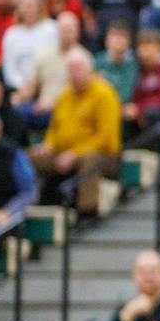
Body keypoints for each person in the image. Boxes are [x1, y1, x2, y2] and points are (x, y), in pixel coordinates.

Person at [28, 48, 122, 216]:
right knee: (32, 156)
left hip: (104, 156)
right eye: (71, 70)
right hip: (64, 153)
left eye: (79, 69)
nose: (74, 74)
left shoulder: (105, 94)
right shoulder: (64, 96)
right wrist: (48, 145)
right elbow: (53, 129)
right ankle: (32, 208)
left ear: (90, 69)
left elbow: (105, 137)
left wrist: (75, 154)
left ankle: (88, 211)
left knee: (89, 158)